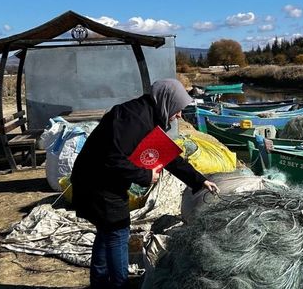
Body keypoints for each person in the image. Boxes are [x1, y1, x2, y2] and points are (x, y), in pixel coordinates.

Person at [70, 78, 219, 289]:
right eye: (178, 109)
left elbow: (167, 156)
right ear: (168, 101)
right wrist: (145, 176)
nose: (179, 115)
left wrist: (199, 180)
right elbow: (112, 158)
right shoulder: (134, 119)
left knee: (107, 234)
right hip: (96, 185)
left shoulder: (148, 115)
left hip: (102, 182)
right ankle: (119, 285)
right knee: (118, 233)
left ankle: (100, 284)